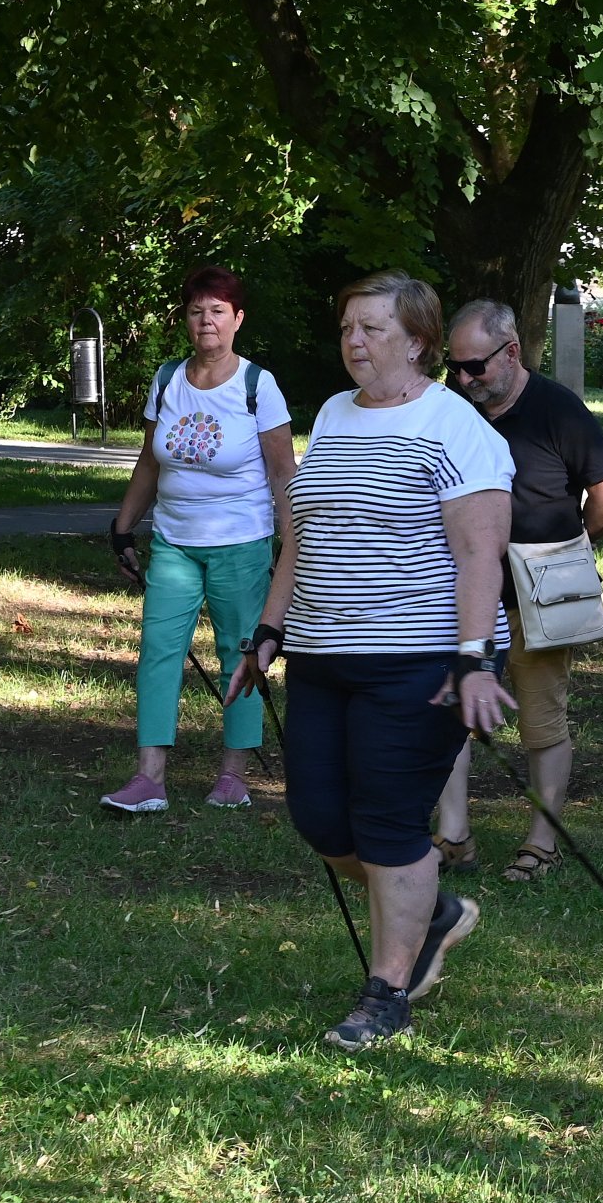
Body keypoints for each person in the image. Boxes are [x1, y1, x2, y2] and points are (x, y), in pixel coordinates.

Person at [226, 270, 516, 1052]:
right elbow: (303, 535)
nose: (355, 341)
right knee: (321, 818)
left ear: (418, 341)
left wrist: (472, 658)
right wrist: (269, 631)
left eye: (374, 329)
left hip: (419, 658)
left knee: (388, 823)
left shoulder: (455, 427)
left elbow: (479, 553)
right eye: (348, 327)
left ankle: (387, 992)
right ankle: (436, 910)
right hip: (322, 654)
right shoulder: (334, 412)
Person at [434, 299, 603, 881]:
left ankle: (541, 842)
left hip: (536, 591)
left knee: (542, 719)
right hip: (463, 587)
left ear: (512, 352)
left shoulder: (557, 409)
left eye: (475, 367)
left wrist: (570, 549)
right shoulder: (450, 410)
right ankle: (452, 836)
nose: (464, 379)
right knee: (450, 711)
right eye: (455, 367)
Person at [101, 265, 295, 815]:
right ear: (185, 319)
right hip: (174, 542)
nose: (206, 320)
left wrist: (291, 541)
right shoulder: (167, 379)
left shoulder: (258, 386)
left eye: (217, 310)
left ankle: (233, 774)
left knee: (241, 652)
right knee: (158, 652)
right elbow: (148, 461)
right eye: (196, 310)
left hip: (242, 542)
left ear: (237, 319)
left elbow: (284, 473)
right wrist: (122, 527)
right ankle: (149, 777)